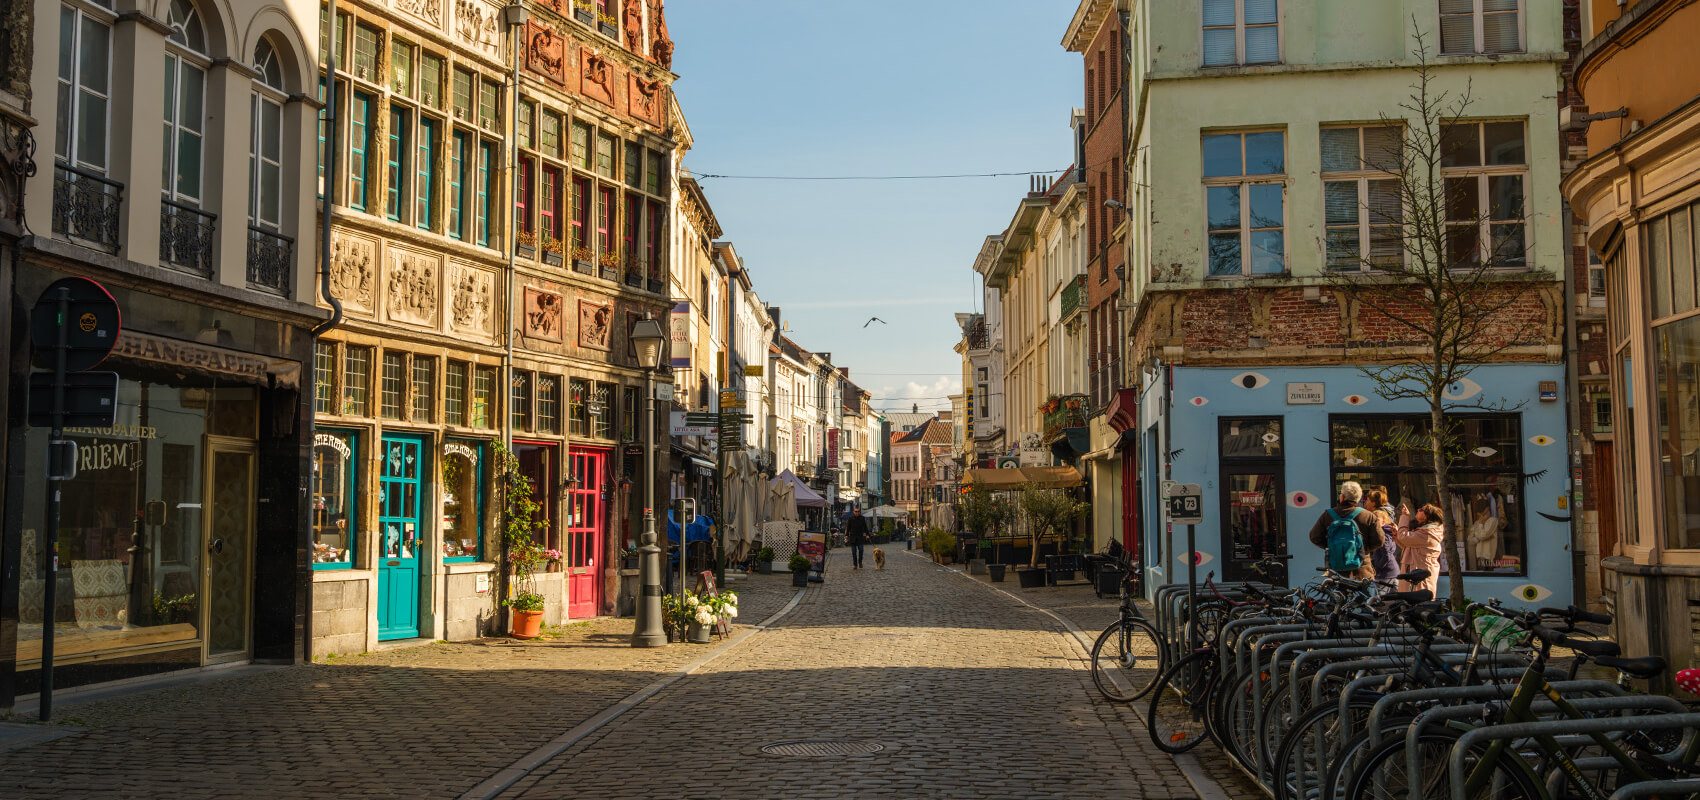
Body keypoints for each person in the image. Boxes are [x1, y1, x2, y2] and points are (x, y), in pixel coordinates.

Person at [1306, 480, 1384, 580]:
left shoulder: (1328, 515)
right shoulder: (1368, 516)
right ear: (1358, 499)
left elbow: (1314, 536)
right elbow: (1379, 540)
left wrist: (1333, 546)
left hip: (1336, 571)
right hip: (1362, 571)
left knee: (1337, 595)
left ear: (1342, 497)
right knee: (1365, 595)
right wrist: (1363, 549)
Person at [1394, 503, 1444, 596]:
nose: (1418, 510)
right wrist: (1396, 536)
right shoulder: (1423, 531)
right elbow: (1409, 546)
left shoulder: (1428, 533)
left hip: (1420, 573)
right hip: (1415, 571)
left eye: (1421, 509)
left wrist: (1405, 517)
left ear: (1427, 516)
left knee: (1420, 603)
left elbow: (1403, 537)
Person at [1362, 488, 1402, 585]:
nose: (1365, 502)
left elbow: (1386, 552)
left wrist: (1377, 566)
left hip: (1385, 571)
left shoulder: (1379, 516)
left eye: (1367, 500)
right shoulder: (1385, 514)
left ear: (1374, 503)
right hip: (1386, 567)